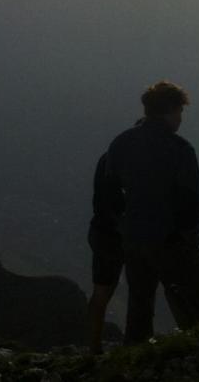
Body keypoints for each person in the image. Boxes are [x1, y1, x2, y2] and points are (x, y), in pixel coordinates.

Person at [95, 80, 199, 344]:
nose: (180, 118)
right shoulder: (180, 149)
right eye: (179, 112)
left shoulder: (121, 143)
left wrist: (124, 224)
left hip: (133, 238)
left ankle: (134, 360)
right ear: (169, 110)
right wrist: (187, 238)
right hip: (170, 240)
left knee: (140, 306)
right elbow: (191, 202)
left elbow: (109, 193)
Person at [87, 150, 124, 353]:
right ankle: (138, 342)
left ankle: (94, 347)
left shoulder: (110, 157)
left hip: (102, 231)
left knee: (101, 291)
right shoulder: (136, 159)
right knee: (142, 290)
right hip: (117, 235)